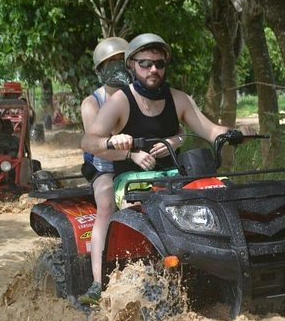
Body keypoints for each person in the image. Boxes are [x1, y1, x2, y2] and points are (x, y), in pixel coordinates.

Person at [79, 33, 232, 305]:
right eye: (145, 63)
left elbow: (199, 130)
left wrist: (234, 133)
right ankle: (98, 279)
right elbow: (92, 142)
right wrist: (124, 148)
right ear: (132, 65)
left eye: (159, 64)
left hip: (166, 170)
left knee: (215, 190)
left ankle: (219, 261)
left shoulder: (177, 98)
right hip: (112, 165)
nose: (153, 69)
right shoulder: (105, 102)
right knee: (106, 205)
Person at [79, 37, 134, 303]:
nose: (117, 68)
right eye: (110, 64)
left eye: (121, 61)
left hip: (139, 162)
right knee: (105, 203)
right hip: (105, 165)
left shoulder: (140, 94)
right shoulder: (92, 102)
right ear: (101, 70)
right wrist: (131, 152)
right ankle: (98, 282)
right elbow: (98, 145)